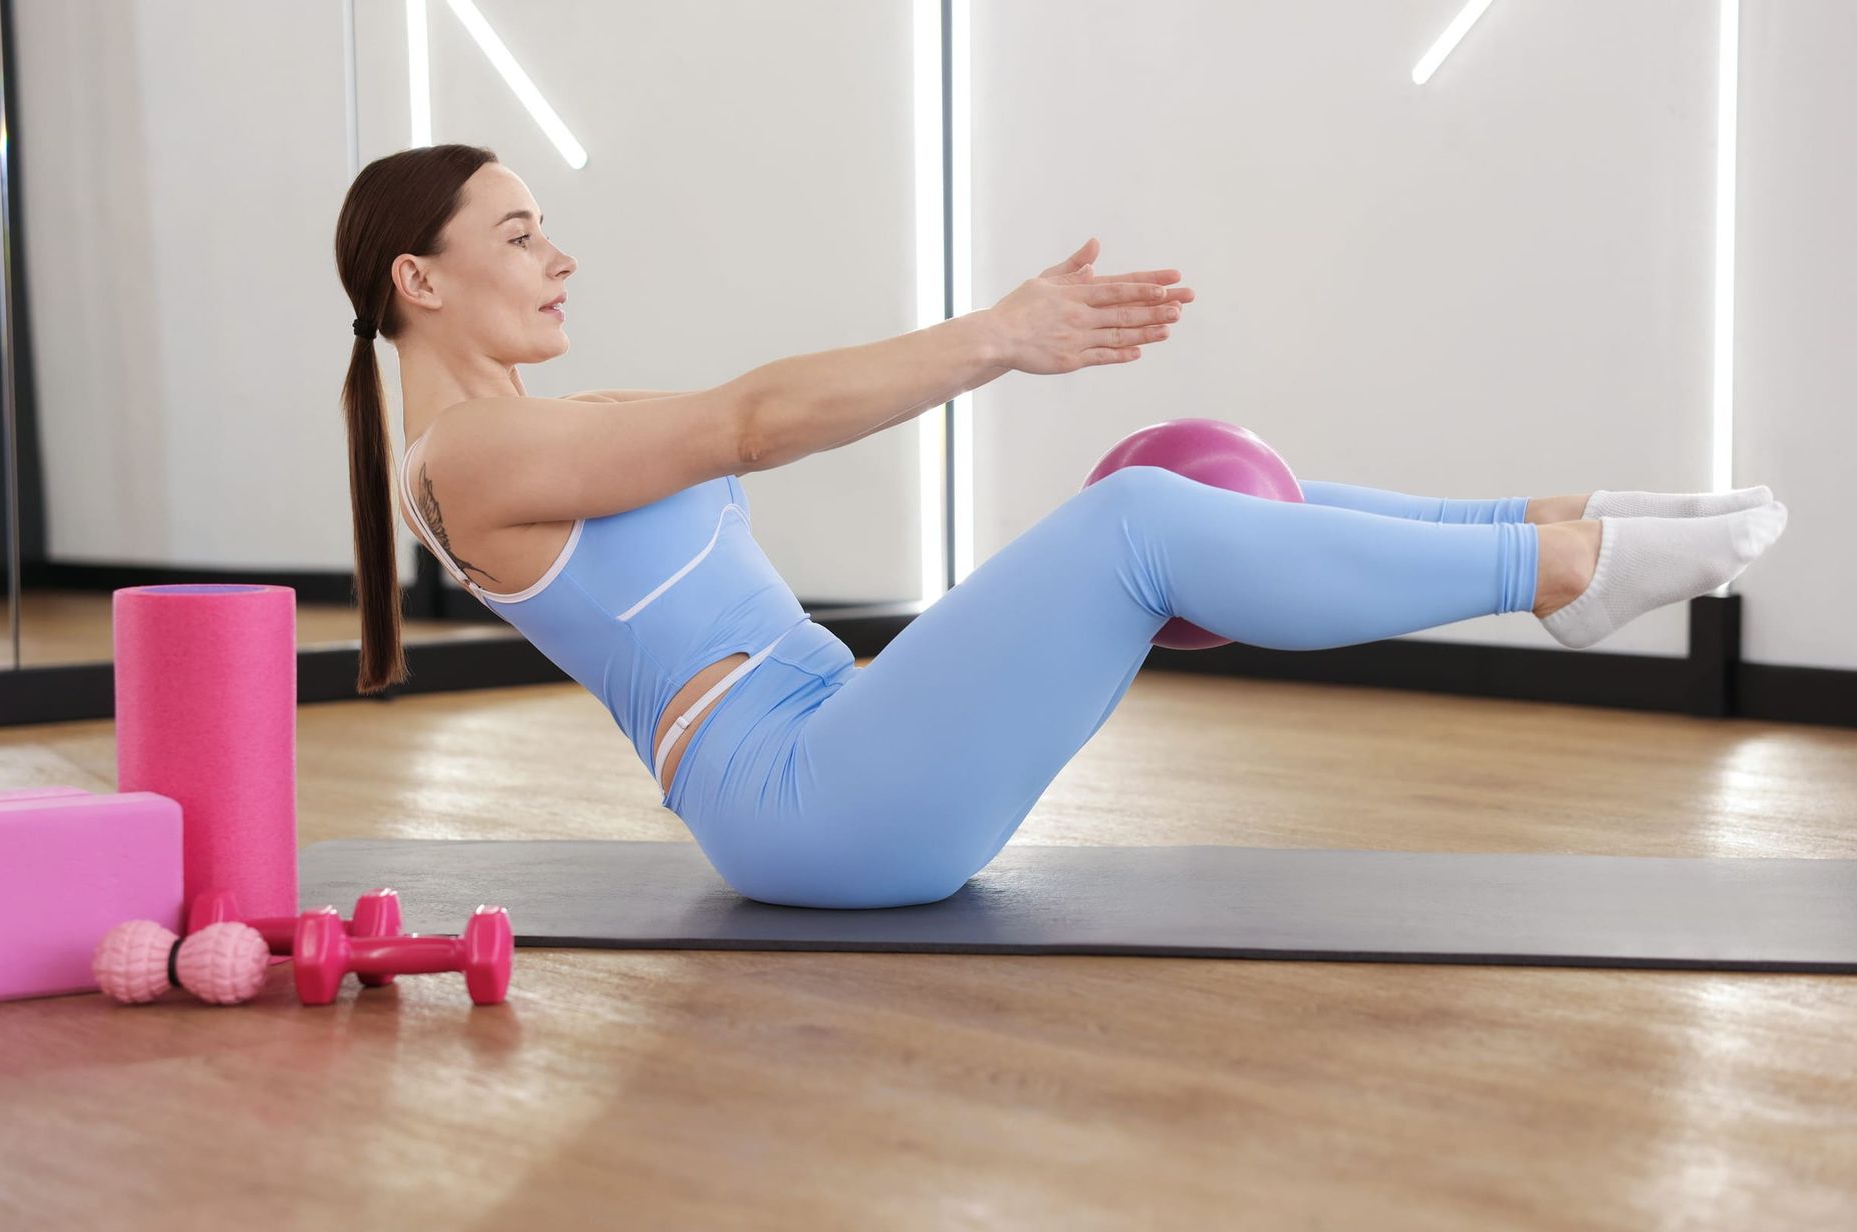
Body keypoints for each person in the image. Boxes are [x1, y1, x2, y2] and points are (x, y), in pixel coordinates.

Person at [336, 145, 1787, 910]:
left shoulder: (530, 425)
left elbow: (741, 411)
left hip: (834, 742)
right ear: (422, 277)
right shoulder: (469, 455)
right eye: (518, 231)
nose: (559, 252)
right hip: (806, 801)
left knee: (1166, 508)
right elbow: (752, 421)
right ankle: (1563, 571)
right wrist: (1001, 335)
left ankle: (1543, 526)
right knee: (1141, 522)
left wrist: (1000, 337)